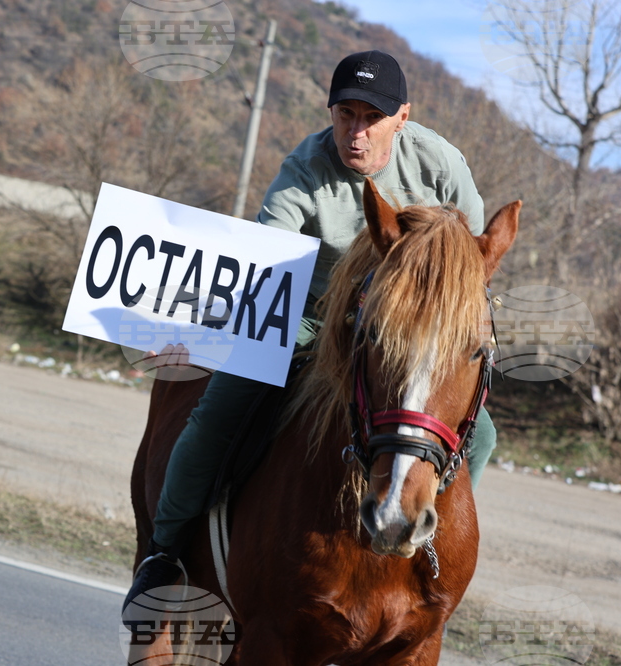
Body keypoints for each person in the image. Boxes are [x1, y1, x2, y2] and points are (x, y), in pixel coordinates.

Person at [124, 50, 498, 609]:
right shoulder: (304, 169)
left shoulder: (439, 164)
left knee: (483, 434)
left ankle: (414, 526)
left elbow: (468, 265)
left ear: (402, 117)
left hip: (398, 334)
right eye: (345, 114)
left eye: (372, 118)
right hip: (310, 319)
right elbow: (261, 258)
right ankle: (164, 549)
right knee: (217, 411)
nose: (356, 131)